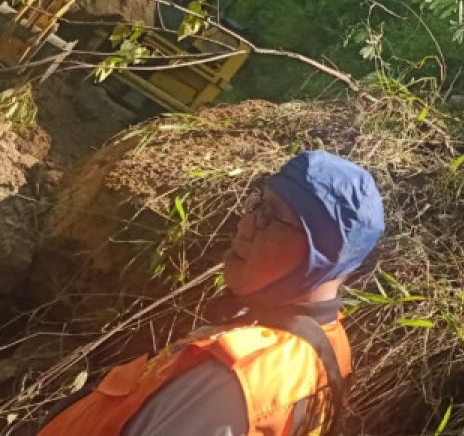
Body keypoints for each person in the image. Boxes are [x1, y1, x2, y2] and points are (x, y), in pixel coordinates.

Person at [38, 150, 386, 436]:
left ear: (320, 257)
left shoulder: (232, 383)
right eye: (257, 203)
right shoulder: (328, 345)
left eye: (271, 215)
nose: (245, 224)